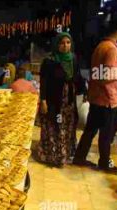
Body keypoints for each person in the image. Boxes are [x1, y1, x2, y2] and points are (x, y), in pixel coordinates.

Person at [73, 13, 117, 175]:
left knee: (90, 130)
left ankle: (79, 157)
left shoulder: (102, 45)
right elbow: (106, 75)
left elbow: (99, 73)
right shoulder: (111, 48)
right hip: (106, 99)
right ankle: (105, 164)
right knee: (106, 135)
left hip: (97, 97)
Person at [35, 32, 86, 167]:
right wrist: (43, 101)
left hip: (69, 99)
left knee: (67, 124)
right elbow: (44, 82)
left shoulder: (73, 58)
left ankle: (64, 153)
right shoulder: (49, 61)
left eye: (68, 43)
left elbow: (78, 76)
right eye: (62, 43)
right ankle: (53, 156)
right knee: (55, 124)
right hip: (54, 100)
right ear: (57, 44)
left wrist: (85, 91)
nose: (65, 46)